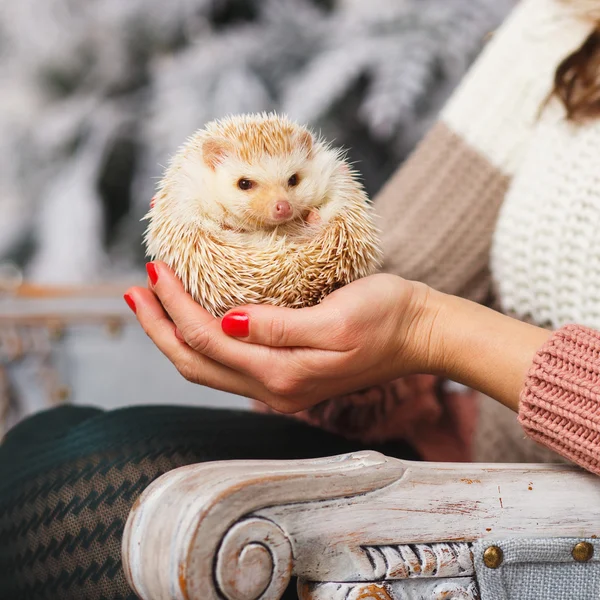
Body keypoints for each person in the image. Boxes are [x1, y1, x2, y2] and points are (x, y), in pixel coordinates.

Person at [1, 1, 599, 599]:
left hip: (566, 523)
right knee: (52, 448)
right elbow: (390, 263)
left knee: (75, 497)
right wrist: (307, 331)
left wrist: (432, 332)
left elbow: (419, 311)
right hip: (465, 452)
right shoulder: (569, 23)